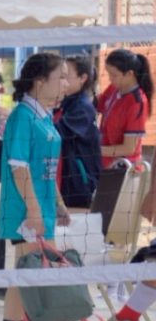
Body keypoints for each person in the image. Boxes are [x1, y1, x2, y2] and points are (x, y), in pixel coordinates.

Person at [0, 52, 106, 321]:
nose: (66, 84)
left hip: (41, 207)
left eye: (68, 77)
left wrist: (58, 203)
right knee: (45, 273)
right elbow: (19, 167)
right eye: (61, 77)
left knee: (25, 274)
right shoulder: (22, 116)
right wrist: (34, 211)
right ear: (40, 81)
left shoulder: (44, 116)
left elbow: (46, 167)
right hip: (25, 211)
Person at [57, 54, 102, 212]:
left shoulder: (82, 107)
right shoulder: (65, 103)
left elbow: (57, 132)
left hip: (79, 186)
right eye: (59, 75)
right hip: (67, 182)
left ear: (83, 78)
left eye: (66, 75)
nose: (61, 80)